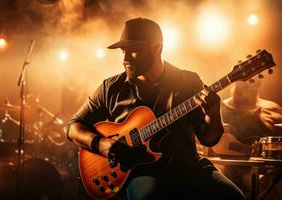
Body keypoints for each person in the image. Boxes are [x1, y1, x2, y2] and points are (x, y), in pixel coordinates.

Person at [65, 17, 245, 199]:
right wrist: (100, 143)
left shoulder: (188, 81)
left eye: (134, 50)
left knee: (232, 196)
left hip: (188, 166)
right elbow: (73, 126)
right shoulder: (111, 88)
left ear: (157, 47)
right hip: (141, 172)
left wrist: (212, 112)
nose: (126, 58)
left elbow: (209, 139)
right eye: (123, 51)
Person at [218, 79, 282, 198]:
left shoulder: (272, 109)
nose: (243, 84)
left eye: (249, 81)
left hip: (265, 171)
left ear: (258, 84)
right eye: (239, 81)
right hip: (226, 168)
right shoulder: (219, 109)